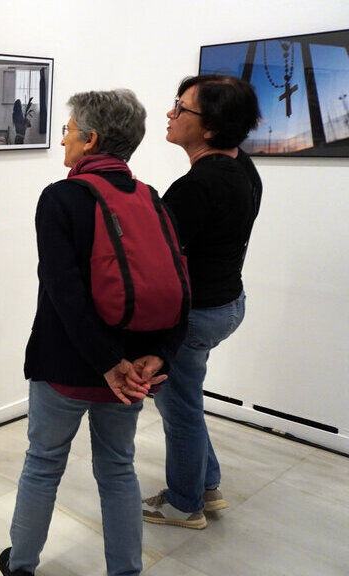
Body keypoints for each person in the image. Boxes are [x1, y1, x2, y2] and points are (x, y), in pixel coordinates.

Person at [0, 89, 180, 576]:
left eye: (68, 130)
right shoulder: (150, 198)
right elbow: (179, 286)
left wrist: (105, 364)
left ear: (91, 139)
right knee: (118, 470)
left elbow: (63, 293)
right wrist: (156, 357)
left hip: (66, 365)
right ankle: (126, 570)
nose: (63, 141)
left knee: (43, 465)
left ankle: (21, 565)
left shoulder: (60, 198)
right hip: (133, 368)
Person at [141, 75, 262, 529]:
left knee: (180, 411)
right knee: (188, 400)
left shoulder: (197, 187)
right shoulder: (243, 167)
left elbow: (158, 263)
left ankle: (183, 503)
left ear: (209, 128)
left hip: (197, 314)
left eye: (181, 108)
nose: (170, 115)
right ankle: (207, 486)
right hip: (228, 303)